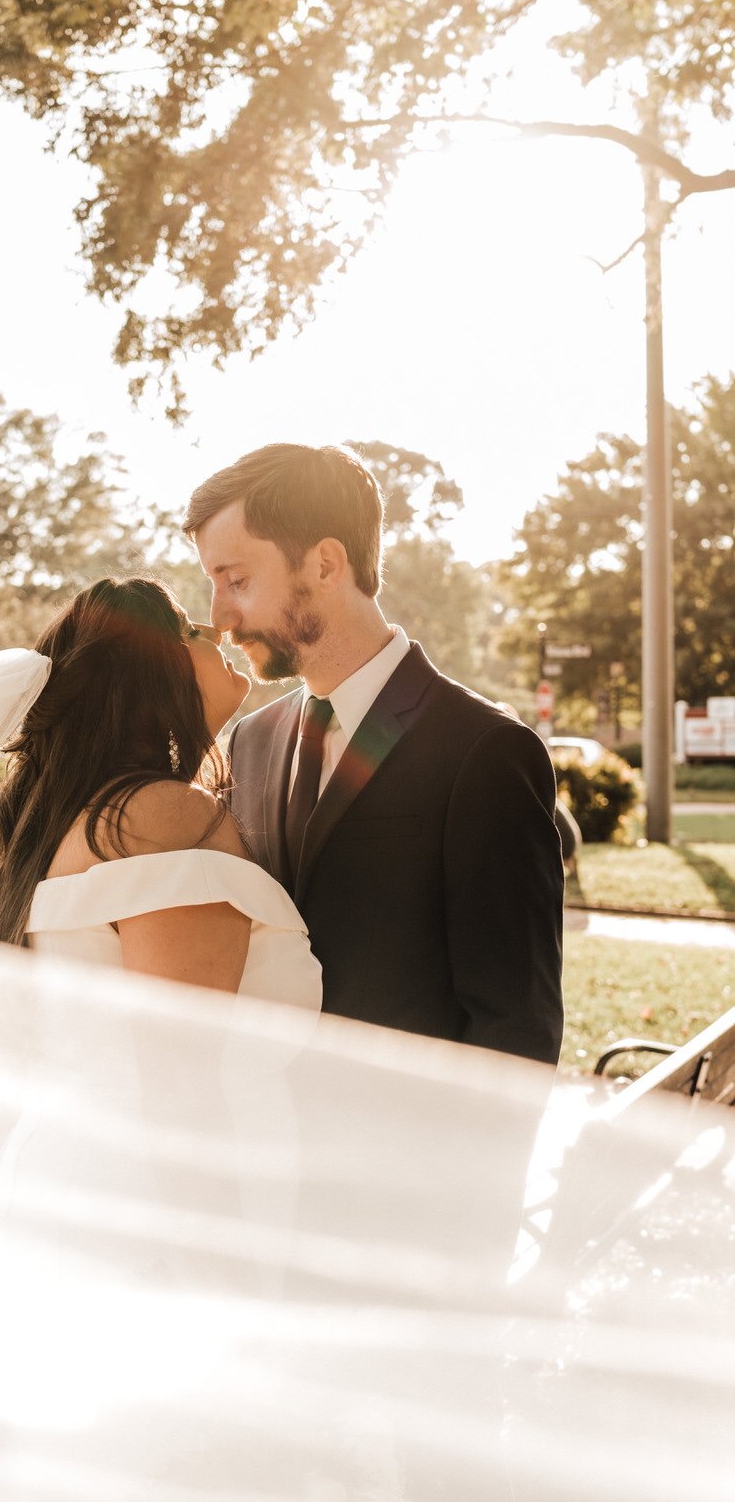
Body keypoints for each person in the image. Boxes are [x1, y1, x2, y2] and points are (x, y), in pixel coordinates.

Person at [184, 442, 564, 1064]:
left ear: (327, 564)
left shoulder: (486, 753)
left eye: (239, 580)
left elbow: (515, 1026)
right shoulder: (250, 742)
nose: (220, 616)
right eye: (215, 583)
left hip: (409, 1153)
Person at [0, 575, 323, 1014]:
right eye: (190, 632)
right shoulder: (166, 818)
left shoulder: (58, 828)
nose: (215, 633)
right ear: (154, 672)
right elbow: (177, 1062)